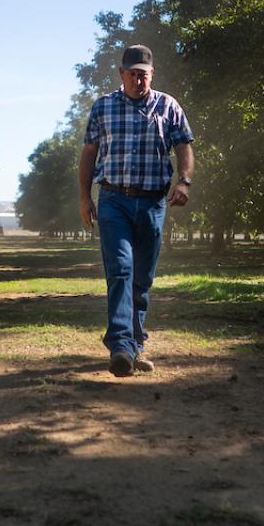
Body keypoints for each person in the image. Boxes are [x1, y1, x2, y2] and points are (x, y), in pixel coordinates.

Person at [78, 44, 194, 377]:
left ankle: (134, 344)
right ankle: (120, 346)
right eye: (132, 74)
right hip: (113, 199)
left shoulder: (168, 106)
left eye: (143, 75)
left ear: (151, 75)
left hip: (153, 203)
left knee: (142, 278)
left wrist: (184, 182)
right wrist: (84, 198)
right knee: (121, 269)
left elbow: (184, 146)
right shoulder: (103, 107)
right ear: (121, 74)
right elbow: (89, 153)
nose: (138, 81)